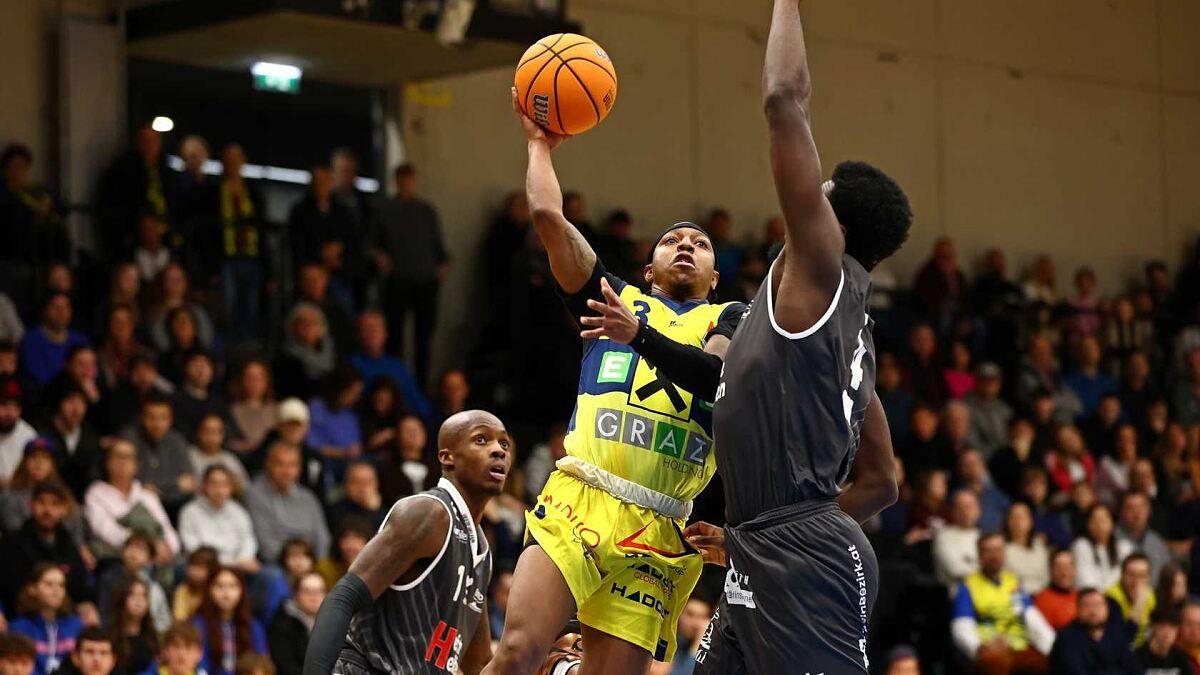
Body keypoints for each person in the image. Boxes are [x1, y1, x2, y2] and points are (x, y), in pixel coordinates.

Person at [684, 4, 914, 673]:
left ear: (832, 222)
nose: (802, 195)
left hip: (804, 561)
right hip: (773, 545)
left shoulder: (822, 275)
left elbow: (785, 98)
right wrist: (763, 534)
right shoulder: (850, 338)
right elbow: (883, 482)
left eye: (820, 190)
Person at [487, 88, 749, 675]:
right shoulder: (614, 297)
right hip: (583, 494)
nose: (687, 246)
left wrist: (640, 337)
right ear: (649, 268)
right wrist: (539, 145)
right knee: (519, 650)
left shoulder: (733, 317)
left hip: (661, 527)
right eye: (673, 241)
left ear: (715, 275)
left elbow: (715, 376)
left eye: (701, 244)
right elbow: (549, 221)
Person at [303, 410, 512, 675]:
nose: (498, 450)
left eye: (504, 443)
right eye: (481, 440)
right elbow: (345, 596)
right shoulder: (430, 512)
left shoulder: (481, 552)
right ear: (447, 457)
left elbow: (479, 664)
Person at [372, 164, 448, 387]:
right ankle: (393, 384)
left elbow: (438, 245)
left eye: (409, 179)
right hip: (398, 280)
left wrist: (441, 266)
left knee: (423, 338)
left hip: (425, 280)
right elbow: (373, 243)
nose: (406, 184)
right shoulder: (385, 210)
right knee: (394, 336)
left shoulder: (426, 211)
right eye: (402, 180)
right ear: (396, 181)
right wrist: (381, 258)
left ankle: (420, 386)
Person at [949, 533, 1055, 673]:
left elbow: (1032, 618)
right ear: (980, 555)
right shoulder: (967, 587)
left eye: (998, 550)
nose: (994, 556)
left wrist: (1054, 648)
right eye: (988, 551)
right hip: (989, 651)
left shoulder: (1013, 582)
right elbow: (962, 627)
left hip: (1018, 648)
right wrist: (981, 649)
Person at [0, 481, 98, 621]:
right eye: (41, 502)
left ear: (64, 509)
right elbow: (9, 588)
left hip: (64, 616)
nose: (47, 510)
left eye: (55, 504)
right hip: (22, 617)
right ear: (31, 505)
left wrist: (86, 606)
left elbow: (79, 587)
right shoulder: (12, 543)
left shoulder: (69, 545)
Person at [83, 440, 181, 561]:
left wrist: (169, 548)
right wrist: (147, 546)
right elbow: (105, 530)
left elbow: (165, 527)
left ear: (136, 465)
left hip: (156, 558)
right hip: (115, 557)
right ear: (107, 462)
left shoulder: (147, 495)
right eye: (118, 456)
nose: (123, 462)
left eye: (129, 457)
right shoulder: (96, 493)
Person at [244, 442, 330, 563]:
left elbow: (322, 537)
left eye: (292, 465)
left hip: (310, 561)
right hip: (276, 563)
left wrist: (317, 562)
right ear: (268, 465)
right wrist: (292, 562)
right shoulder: (255, 495)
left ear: (299, 469)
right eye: (280, 465)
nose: (286, 471)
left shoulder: (308, 497)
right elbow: (265, 543)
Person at [216, 145, 265, 342]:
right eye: (229, 160)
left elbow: (261, 228)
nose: (233, 165)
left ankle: (247, 345)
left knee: (250, 306)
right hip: (226, 258)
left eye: (236, 160)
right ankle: (228, 345)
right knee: (228, 306)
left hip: (251, 257)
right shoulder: (214, 190)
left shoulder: (253, 191)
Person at [346, 311, 432, 421]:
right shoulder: (351, 365)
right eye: (367, 329)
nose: (372, 333)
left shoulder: (397, 366)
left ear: (385, 334)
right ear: (358, 335)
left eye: (376, 329)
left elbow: (419, 404)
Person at [121, 394, 195, 512]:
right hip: (135, 507)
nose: (157, 424)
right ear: (142, 418)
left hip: (174, 508)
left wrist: (154, 488)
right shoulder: (129, 439)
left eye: (163, 418)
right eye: (151, 417)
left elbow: (189, 483)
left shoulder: (177, 440)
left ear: (171, 419)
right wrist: (175, 484)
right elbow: (125, 482)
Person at [178, 466, 259, 573]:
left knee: (271, 575)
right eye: (214, 484)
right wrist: (231, 564)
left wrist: (245, 559)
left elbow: (248, 540)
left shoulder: (238, 511)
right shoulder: (190, 511)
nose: (219, 489)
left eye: (224, 484)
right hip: (205, 566)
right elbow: (192, 548)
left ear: (231, 487)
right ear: (204, 485)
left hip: (239, 565)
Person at [9, 563, 85, 675]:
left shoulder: (76, 625)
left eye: (61, 585)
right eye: (49, 584)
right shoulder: (18, 628)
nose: (56, 590)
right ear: (32, 589)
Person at [190, 568, 267, 675]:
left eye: (233, 586)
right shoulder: (198, 624)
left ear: (242, 590)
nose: (226, 593)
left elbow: (260, 664)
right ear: (209, 590)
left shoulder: (253, 626)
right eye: (220, 586)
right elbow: (199, 666)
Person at [1049, 588, 1141, 674]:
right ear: (1078, 610)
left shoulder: (1114, 633)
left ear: (1107, 609)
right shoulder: (1066, 638)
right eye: (1087, 606)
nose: (1093, 611)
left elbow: (1134, 668)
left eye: (1098, 605)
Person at [40, 385, 102, 498]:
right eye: (71, 402)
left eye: (81, 403)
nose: (76, 409)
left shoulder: (90, 436)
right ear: (59, 404)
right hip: (49, 496)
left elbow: (93, 475)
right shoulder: (43, 434)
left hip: (82, 498)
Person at [19, 293, 91, 385]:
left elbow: (91, 371)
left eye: (66, 307)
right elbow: (39, 377)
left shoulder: (80, 339)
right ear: (45, 310)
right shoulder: (31, 340)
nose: (61, 312)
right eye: (55, 307)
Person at [272, 304, 335, 402]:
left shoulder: (332, 353)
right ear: (293, 327)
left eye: (314, 322)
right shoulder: (285, 358)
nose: (308, 326)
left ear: (322, 327)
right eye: (302, 322)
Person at [267, 571, 325, 675]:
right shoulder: (282, 624)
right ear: (296, 594)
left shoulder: (333, 621)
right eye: (307, 591)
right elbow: (285, 666)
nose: (314, 597)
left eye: (319, 591)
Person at [1072, 504, 1134, 590]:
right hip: (1092, 596)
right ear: (1088, 525)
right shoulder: (1081, 546)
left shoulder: (1124, 547)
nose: (1100, 524)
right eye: (1095, 520)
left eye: (1104, 519)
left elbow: (1129, 577)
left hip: (1119, 595)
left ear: (1112, 523)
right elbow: (1085, 581)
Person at [377, 416, 438, 503]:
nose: (414, 434)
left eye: (418, 429)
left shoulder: (438, 468)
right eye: (408, 430)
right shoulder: (386, 469)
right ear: (398, 435)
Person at [106, 575, 159, 675]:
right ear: (122, 599)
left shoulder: (151, 636)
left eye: (143, 596)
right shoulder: (110, 636)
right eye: (132, 595)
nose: (138, 601)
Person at [227, 359, 278, 460]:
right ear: (242, 380)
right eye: (250, 378)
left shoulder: (277, 410)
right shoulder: (232, 410)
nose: (254, 382)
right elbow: (229, 442)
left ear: (266, 381)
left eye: (259, 378)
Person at [1116, 491, 1172, 582]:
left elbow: (1168, 574)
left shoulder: (1157, 541)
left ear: (1149, 511)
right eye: (1131, 508)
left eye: (1141, 507)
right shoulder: (1111, 538)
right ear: (1121, 512)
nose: (1137, 513)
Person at [1105, 552, 1157, 648]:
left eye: (1142, 576)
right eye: (1131, 575)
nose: (1136, 582)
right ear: (1122, 576)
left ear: (1148, 578)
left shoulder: (1150, 595)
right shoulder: (1111, 598)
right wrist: (1139, 605)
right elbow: (1122, 641)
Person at [933, 490, 983, 588]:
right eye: (960, 507)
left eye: (969, 507)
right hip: (955, 593)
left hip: (987, 591)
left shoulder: (984, 536)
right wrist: (985, 570)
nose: (965, 511)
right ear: (953, 511)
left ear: (978, 510)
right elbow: (956, 570)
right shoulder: (943, 536)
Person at [188, 416, 249, 493]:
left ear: (223, 435)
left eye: (217, 432)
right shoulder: (188, 456)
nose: (212, 436)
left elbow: (245, 488)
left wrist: (236, 486)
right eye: (207, 431)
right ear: (199, 433)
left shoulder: (230, 459)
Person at [1003, 502, 1050, 594]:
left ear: (1031, 522)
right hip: (1016, 596)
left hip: (1043, 595)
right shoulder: (1003, 549)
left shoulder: (1039, 545)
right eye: (1014, 517)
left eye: (1023, 517)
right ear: (1008, 522)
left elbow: (1046, 577)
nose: (1018, 522)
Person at [0, 376, 38, 485]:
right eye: (4, 405)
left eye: (15, 407)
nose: (10, 413)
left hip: (18, 492)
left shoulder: (29, 436)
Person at [325, 462, 385, 531]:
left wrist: (376, 511)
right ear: (346, 484)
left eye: (367, 482)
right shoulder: (335, 512)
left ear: (377, 484)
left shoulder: (383, 508)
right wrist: (372, 512)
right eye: (357, 482)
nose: (362, 487)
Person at [1134, 607, 1193, 673]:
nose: (1167, 632)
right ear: (1153, 627)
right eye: (1163, 626)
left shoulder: (1181, 658)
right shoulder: (1137, 657)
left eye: (1172, 627)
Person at [1033, 549, 1079, 631]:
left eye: (1068, 567)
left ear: (1075, 570)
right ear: (1051, 571)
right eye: (1059, 568)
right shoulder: (1043, 600)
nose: (1064, 573)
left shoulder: (1081, 597)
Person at [172, 548, 218, 622]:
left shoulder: (217, 589)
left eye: (200, 568)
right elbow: (180, 620)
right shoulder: (183, 590)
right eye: (192, 566)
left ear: (212, 570)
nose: (194, 572)